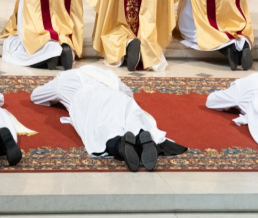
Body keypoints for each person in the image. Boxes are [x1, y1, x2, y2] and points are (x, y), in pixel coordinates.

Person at [31, 65, 188, 172]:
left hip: (87, 100)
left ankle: (120, 145)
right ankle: (141, 136)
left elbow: (36, 96)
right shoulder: (108, 75)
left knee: (102, 128)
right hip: (117, 96)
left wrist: (57, 99)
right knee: (131, 115)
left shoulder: (66, 77)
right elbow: (128, 94)